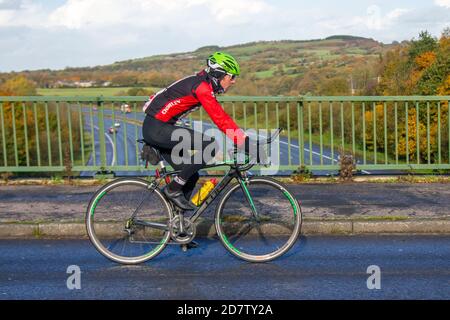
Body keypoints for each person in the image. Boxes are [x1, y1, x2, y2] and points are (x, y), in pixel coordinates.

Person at [142, 52, 250, 210]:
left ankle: (178, 225)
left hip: (158, 127)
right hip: (158, 129)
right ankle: (172, 189)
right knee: (210, 146)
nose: (233, 81)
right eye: (232, 76)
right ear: (220, 74)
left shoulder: (200, 82)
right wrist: (243, 141)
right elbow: (220, 118)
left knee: (190, 175)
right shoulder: (202, 87)